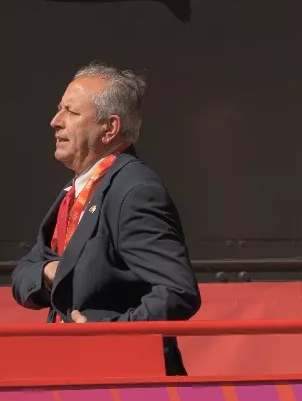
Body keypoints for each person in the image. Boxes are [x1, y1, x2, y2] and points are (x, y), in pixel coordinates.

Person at [11, 64, 201, 375]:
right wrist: (49, 271)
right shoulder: (79, 189)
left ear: (109, 128)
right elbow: (23, 277)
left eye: (70, 112)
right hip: (77, 373)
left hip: (122, 382)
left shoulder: (136, 190)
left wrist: (109, 332)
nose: (55, 122)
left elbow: (178, 291)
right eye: (59, 110)